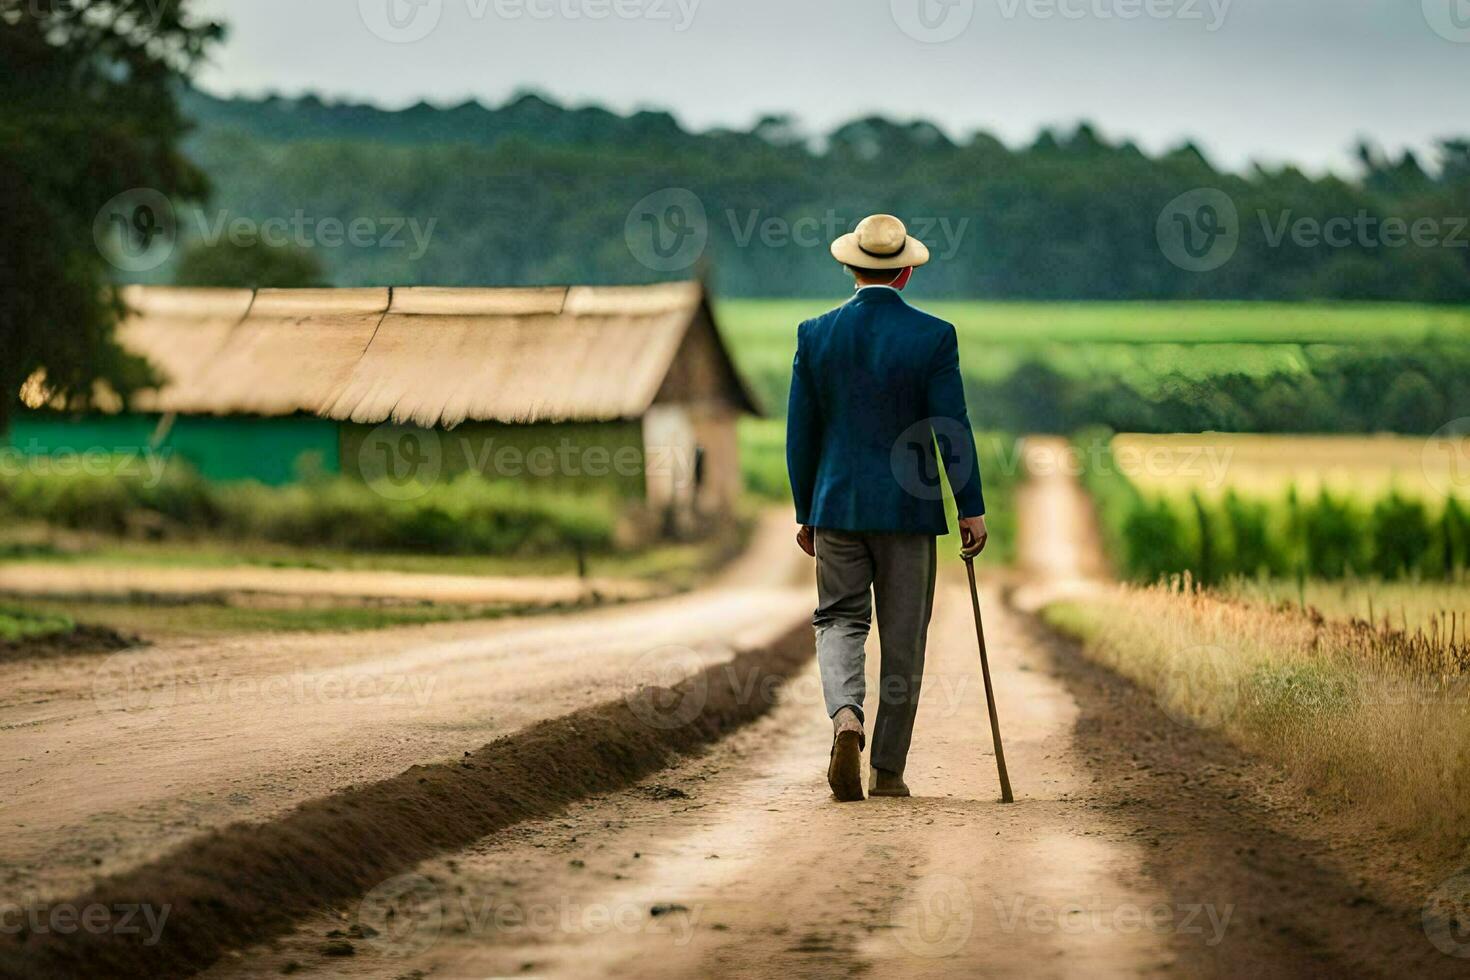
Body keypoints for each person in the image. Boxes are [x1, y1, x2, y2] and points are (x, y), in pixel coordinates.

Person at [786, 213, 988, 802]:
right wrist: (968, 506)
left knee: (839, 619)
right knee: (904, 639)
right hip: (909, 510)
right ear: (905, 273)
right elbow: (951, 427)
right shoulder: (933, 336)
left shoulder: (815, 334)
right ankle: (889, 770)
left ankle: (846, 717)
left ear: (851, 267)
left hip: (838, 507)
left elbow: (802, 434)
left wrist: (808, 509)